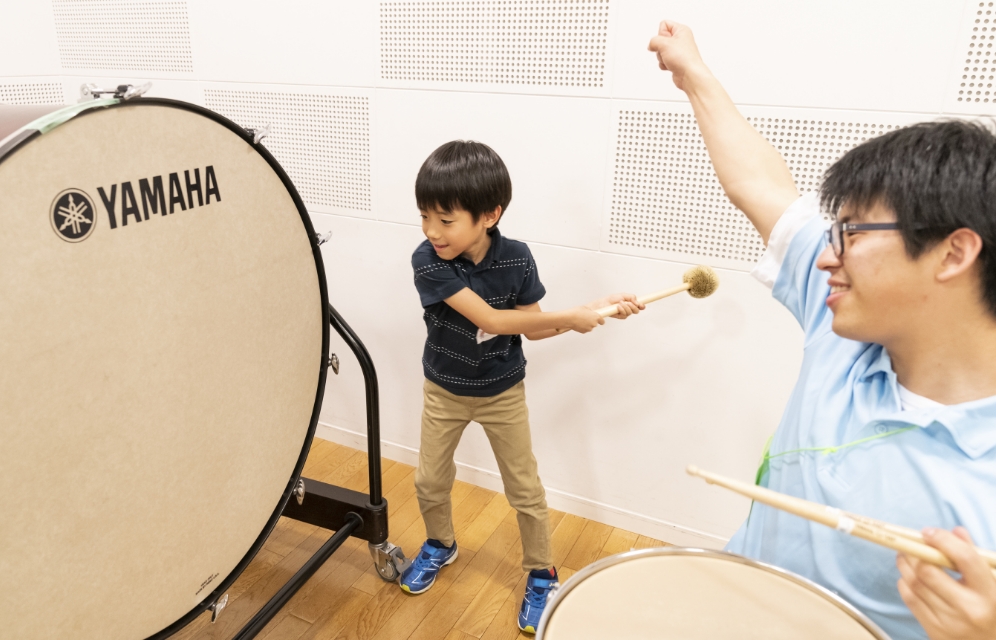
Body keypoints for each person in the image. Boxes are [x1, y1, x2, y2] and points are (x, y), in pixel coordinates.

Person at [649, 21, 996, 640]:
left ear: (951, 255)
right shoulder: (847, 323)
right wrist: (693, 73)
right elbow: (761, 187)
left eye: (854, 233)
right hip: (732, 608)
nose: (827, 256)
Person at [399, 140, 643, 633]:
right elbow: (489, 317)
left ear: (489, 214)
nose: (431, 231)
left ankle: (541, 573)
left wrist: (593, 309)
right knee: (428, 480)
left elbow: (531, 326)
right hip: (443, 391)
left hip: (502, 392)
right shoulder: (429, 261)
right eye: (425, 216)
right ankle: (441, 544)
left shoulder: (518, 259)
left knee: (525, 489)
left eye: (445, 221)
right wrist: (571, 317)